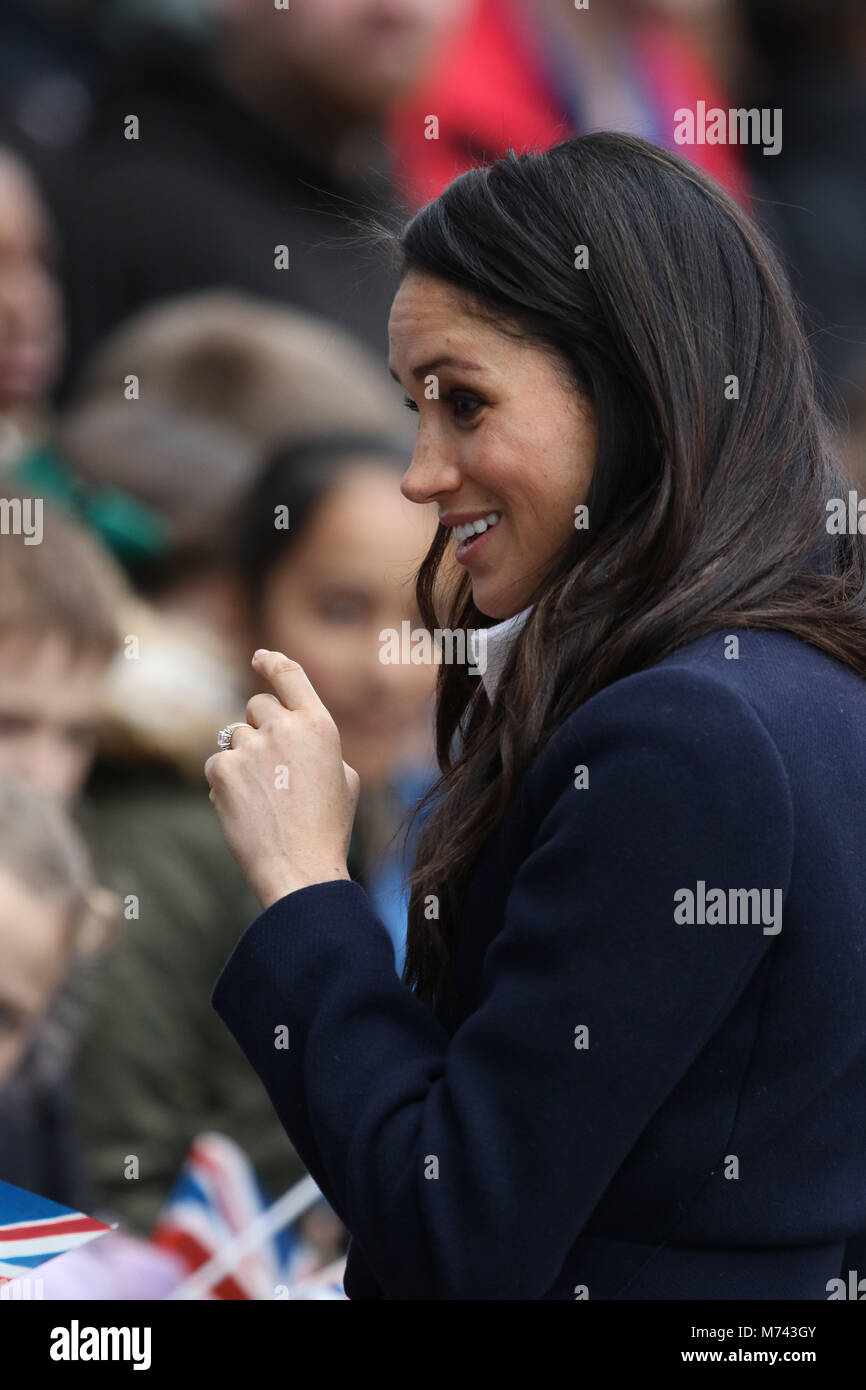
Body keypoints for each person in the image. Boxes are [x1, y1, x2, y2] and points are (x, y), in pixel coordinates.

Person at [205, 131, 866, 1300]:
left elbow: (454, 1233)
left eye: (463, 402)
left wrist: (304, 891)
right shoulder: (799, 686)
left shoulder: (686, 738)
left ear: (629, 384)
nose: (420, 470)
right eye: (413, 407)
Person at [236, 432, 438, 971]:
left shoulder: (427, 821)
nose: (388, 671)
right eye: (342, 612)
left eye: (428, 624)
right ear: (243, 609)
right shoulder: (172, 842)